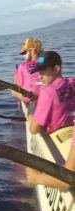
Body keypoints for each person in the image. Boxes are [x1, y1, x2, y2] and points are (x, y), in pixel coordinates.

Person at [24, 51, 75, 188]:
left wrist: (31, 115)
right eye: (38, 72)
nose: (39, 76)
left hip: (56, 137)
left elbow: (34, 130)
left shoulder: (46, 92)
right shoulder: (71, 82)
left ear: (56, 69)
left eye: (43, 71)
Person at [13, 38, 43, 105]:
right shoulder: (49, 63)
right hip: (48, 98)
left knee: (13, 90)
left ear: (32, 52)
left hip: (32, 100)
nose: (24, 55)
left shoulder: (23, 66)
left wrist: (16, 75)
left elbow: (19, 87)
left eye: (25, 53)